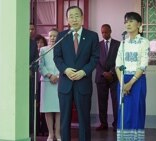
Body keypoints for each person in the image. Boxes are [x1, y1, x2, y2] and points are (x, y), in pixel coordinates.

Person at [53, 6, 99, 141]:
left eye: (77, 16)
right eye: (71, 16)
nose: (74, 19)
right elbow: (57, 57)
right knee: (65, 118)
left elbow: (95, 58)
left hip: (83, 83)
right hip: (65, 84)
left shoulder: (92, 36)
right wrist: (65, 70)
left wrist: (84, 71)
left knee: (84, 119)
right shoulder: (62, 36)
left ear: (82, 18)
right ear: (67, 19)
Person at [115, 12, 149, 141]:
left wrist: (131, 83)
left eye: (131, 21)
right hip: (123, 81)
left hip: (138, 80)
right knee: (124, 113)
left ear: (139, 24)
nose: (128, 24)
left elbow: (143, 65)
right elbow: (118, 65)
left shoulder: (144, 42)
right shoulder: (123, 42)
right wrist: (123, 83)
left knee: (137, 111)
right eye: (126, 21)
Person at [95, 24, 120, 132]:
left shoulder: (118, 44)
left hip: (114, 78)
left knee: (115, 102)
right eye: (102, 32)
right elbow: (95, 60)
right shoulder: (97, 45)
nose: (104, 34)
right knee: (102, 102)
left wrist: (112, 72)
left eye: (106, 32)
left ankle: (116, 124)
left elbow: (120, 60)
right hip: (101, 77)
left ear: (110, 31)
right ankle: (103, 124)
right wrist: (104, 73)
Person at [39, 28, 61, 141]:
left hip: (59, 81)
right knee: (48, 109)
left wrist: (57, 76)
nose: (52, 38)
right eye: (50, 36)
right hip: (47, 82)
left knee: (58, 109)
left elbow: (64, 64)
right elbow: (41, 65)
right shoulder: (43, 50)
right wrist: (49, 75)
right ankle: (50, 134)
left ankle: (57, 133)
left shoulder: (63, 50)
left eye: (55, 36)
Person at [34, 34, 48, 136]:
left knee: (45, 105)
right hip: (35, 82)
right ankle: (36, 127)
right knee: (36, 105)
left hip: (45, 81)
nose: (39, 44)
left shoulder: (46, 52)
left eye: (41, 42)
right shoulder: (33, 54)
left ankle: (45, 127)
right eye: (37, 42)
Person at [29, 23, 38, 135]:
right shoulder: (19, 41)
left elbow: (36, 60)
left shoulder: (33, 44)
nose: (31, 31)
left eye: (32, 29)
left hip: (31, 78)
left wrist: (32, 69)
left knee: (31, 104)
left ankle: (30, 130)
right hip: (19, 78)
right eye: (29, 29)